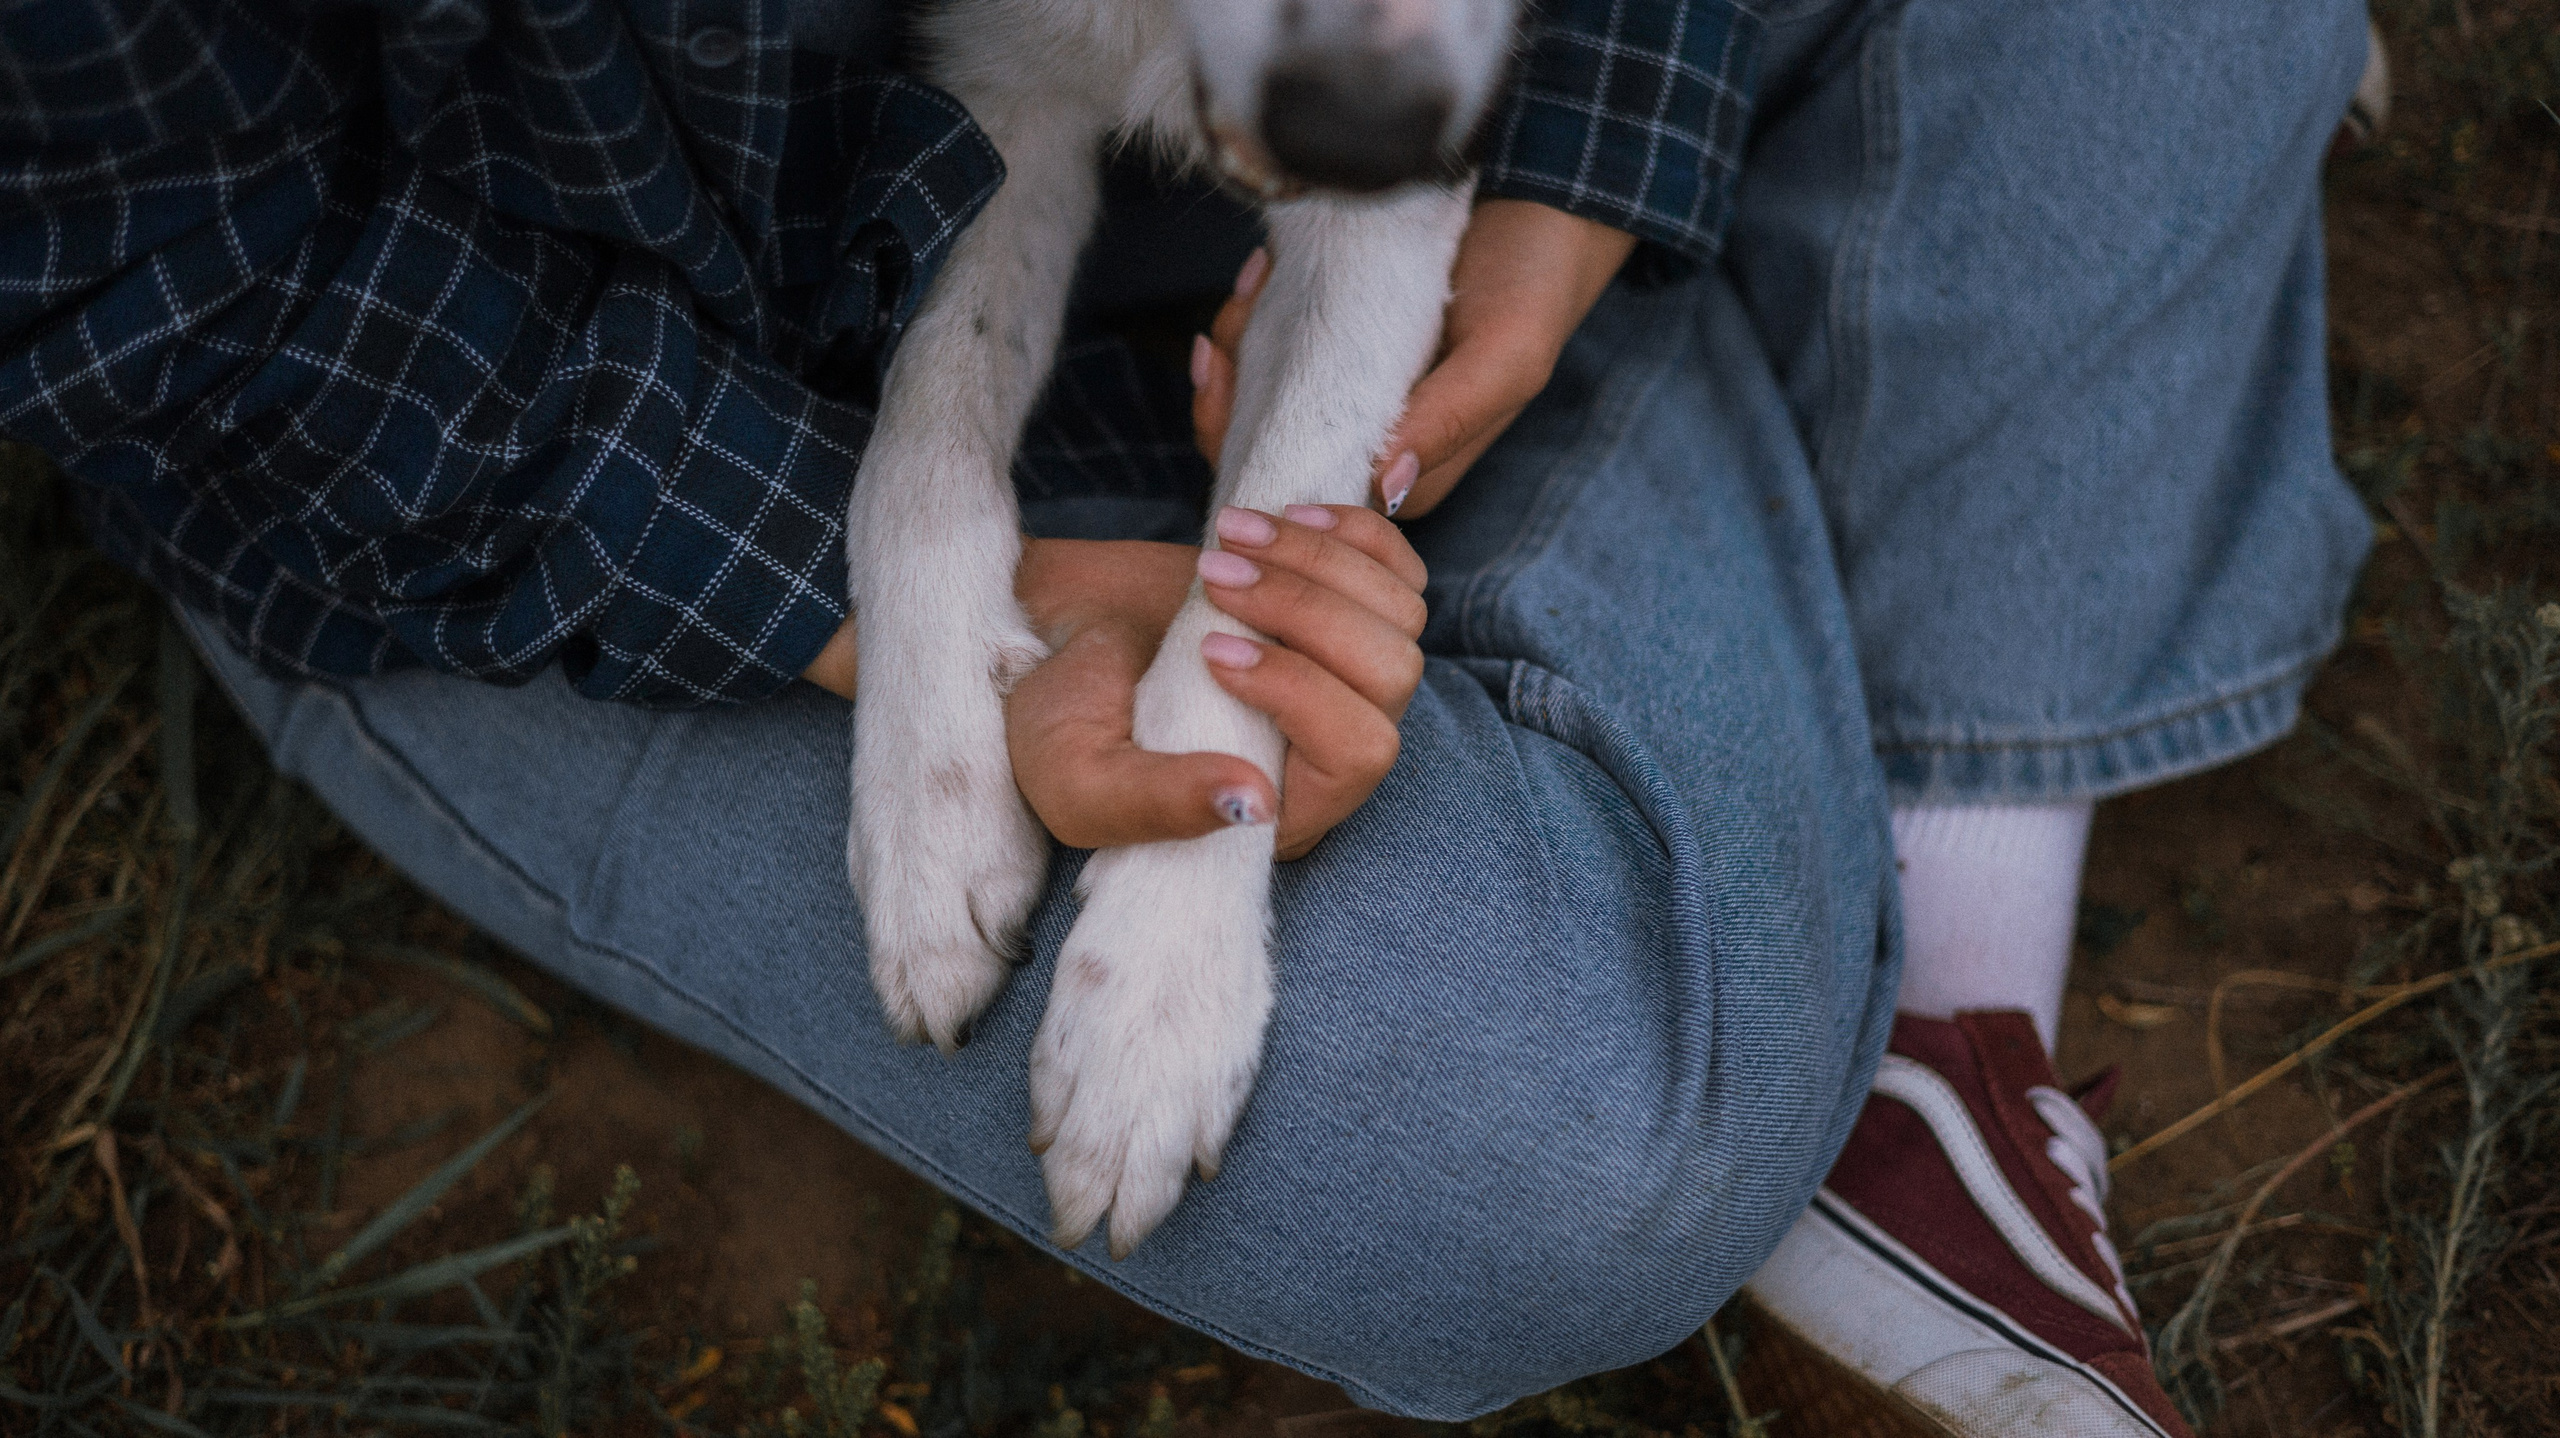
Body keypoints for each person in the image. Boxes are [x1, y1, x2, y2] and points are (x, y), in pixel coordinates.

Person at [0, 0, 2381, 1432]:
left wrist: (1567, 146)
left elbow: (1363, 123)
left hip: (1285, 216)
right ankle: (1882, 351)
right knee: (1518, 1122)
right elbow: (186, 298)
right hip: (536, 397)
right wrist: (927, 596)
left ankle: (1937, 1017)